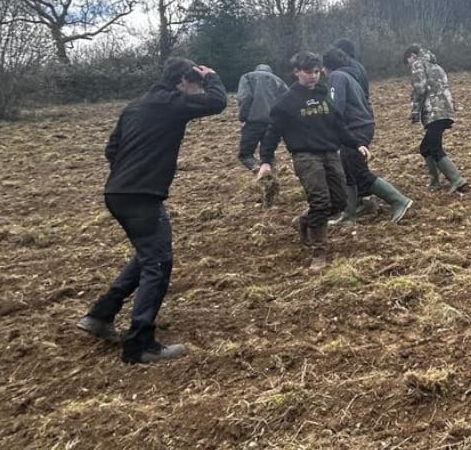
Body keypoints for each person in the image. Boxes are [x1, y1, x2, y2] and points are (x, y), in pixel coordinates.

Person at [76, 58, 227, 364]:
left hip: (117, 192)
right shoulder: (171, 102)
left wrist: (130, 173)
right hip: (141, 196)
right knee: (158, 263)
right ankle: (140, 344)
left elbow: (111, 149)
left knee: (148, 255)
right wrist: (212, 76)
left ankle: (100, 315)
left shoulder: (135, 106)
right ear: (182, 82)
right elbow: (217, 102)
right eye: (196, 84)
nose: (199, 91)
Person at [256, 52, 355, 270]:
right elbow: (272, 133)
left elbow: (338, 124)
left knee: (339, 201)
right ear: (297, 72)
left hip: (330, 152)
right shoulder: (286, 102)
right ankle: (319, 252)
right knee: (320, 201)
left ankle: (304, 220)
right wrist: (266, 161)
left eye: (317, 72)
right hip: (305, 155)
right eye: (308, 72)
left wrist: (357, 144)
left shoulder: (323, 94)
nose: (313, 76)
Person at [323, 47, 413, 224]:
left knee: (359, 172)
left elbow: (336, 107)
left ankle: (399, 200)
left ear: (327, 66)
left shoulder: (336, 77)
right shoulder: (350, 75)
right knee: (348, 170)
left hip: (354, 128)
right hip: (361, 126)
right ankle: (349, 215)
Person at [404, 44, 467, 192]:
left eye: (408, 62)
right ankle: (435, 182)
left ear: (412, 56)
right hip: (445, 110)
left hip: (434, 111)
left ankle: (457, 180)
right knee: (425, 148)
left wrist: (415, 112)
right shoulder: (436, 66)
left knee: (433, 147)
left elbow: (420, 89)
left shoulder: (418, 64)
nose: (409, 66)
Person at [235, 64, 287, 171]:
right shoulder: (278, 80)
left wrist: (243, 116)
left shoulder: (247, 77)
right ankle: (269, 173)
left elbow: (245, 97)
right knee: (267, 156)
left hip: (254, 122)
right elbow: (286, 101)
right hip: (272, 124)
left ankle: (256, 168)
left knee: (245, 155)